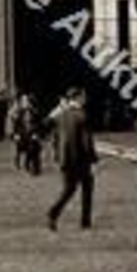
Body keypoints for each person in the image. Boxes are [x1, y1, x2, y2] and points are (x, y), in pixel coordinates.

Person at [47, 88, 96, 231]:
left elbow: (55, 138)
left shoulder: (61, 115)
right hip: (81, 160)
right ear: (78, 97)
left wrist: (57, 155)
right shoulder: (82, 116)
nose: (85, 99)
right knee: (87, 190)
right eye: (83, 96)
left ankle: (53, 212)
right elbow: (87, 142)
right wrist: (92, 161)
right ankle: (85, 222)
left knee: (68, 190)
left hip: (66, 159)